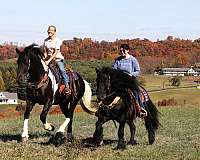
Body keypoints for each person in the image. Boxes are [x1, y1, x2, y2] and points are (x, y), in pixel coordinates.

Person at [112, 44, 147, 117]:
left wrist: (131, 74)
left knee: (136, 91)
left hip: (130, 80)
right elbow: (113, 70)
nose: (122, 52)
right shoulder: (118, 60)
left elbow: (138, 71)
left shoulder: (133, 59)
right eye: (120, 50)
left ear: (128, 50)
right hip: (120, 81)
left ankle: (140, 108)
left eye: (123, 50)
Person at [43, 25, 71, 95]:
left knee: (62, 70)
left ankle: (67, 86)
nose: (50, 31)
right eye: (49, 30)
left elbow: (55, 53)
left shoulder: (57, 40)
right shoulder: (45, 41)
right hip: (48, 59)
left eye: (51, 30)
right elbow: (45, 51)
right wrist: (45, 59)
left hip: (57, 59)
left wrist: (48, 61)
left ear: (54, 32)